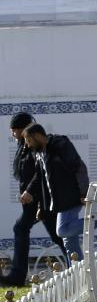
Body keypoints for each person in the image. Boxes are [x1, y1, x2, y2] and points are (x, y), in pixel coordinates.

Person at [0, 113, 66, 286]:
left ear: (23, 129)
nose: (12, 133)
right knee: (57, 235)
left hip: (42, 198)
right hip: (35, 200)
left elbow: (41, 171)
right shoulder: (23, 145)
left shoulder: (32, 144)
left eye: (14, 130)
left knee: (23, 228)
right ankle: (78, 265)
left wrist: (29, 191)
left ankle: (17, 276)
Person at [22, 124, 88, 263]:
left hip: (73, 196)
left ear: (38, 136)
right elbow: (40, 177)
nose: (27, 145)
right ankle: (77, 272)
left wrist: (84, 192)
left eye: (29, 140)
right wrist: (30, 193)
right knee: (69, 242)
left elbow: (78, 167)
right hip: (60, 201)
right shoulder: (39, 153)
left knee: (62, 230)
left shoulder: (60, 144)